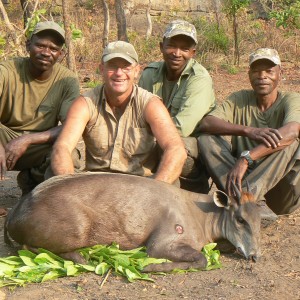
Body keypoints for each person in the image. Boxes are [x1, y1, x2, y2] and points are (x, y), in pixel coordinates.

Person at [51, 41, 186, 184]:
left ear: (136, 71)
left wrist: (156, 188)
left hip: (140, 184)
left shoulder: (150, 104)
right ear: (102, 69)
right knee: (55, 167)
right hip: (95, 183)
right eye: (112, 66)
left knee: (172, 181)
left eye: (126, 67)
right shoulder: (85, 103)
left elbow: (176, 149)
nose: (119, 73)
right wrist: (71, 189)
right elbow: (63, 146)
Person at [198, 48, 300, 220]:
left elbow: (292, 130)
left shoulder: (291, 99)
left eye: (269, 71)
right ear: (249, 74)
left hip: (279, 190)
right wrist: (248, 130)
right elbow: (207, 123)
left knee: (291, 142)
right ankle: (247, 203)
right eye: (256, 71)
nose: (262, 76)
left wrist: (246, 158)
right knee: (206, 139)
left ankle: (242, 200)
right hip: (238, 180)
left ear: (280, 73)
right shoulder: (239, 99)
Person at [0, 21, 80, 197]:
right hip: (4, 137)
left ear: (61, 53)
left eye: (53, 48)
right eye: (40, 45)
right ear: (28, 44)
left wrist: (27, 139)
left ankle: (34, 184)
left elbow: (71, 127)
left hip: (38, 144)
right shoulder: (6, 71)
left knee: (69, 154)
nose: (46, 52)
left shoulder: (67, 80)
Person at [139, 19, 216, 193]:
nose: (177, 53)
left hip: (191, 144)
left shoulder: (199, 79)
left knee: (175, 147)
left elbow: (183, 127)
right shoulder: (150, 74)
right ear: (161, 46)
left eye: (185, 49)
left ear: (193, 53)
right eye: (172, 46)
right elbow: (137, 113)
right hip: (156, 138)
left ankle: (184, 192)